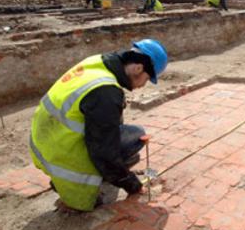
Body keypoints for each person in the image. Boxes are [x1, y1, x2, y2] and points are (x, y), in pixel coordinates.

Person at [29, 39, 169, 211]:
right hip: (62, 155)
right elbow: (104, 151)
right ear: (138, 68)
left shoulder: (98, 63)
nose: (143, 85)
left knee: (136, 135)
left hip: (44, 141)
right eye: (147, 79)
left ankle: (100, 174)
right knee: (91, 203)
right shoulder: (106, 93)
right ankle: (72, 183)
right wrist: (132, 184)